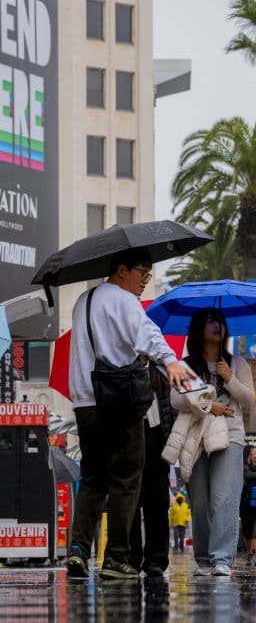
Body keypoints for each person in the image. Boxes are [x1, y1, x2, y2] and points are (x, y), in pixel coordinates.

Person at [66, 249, 190, 581]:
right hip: (119, 401)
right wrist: (170, 359)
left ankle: (78, 550)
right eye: (142, 274)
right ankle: (117, 558)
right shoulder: (123, 300)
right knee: (125, 479)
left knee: (92, 478)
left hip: (85, 401)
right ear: (123, 271)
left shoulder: (83, 301)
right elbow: (146, 334)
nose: (144, 283)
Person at [177, 308, 254, 577]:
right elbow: (176, 401)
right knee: (200, 501)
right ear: (198, 329)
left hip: (230, 437)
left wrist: (230, 379)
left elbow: (248, 401)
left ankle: (222, 558)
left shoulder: (237, 364)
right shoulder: (185, 366)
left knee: (224, 498)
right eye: (210, 320)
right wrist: (210, 406)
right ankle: (203, 559)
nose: (217, 325)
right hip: (196, 439)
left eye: (220, 320)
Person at [128, 362, 179, 578]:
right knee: (130, 500)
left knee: (157, 502)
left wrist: (173, 441)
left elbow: (172, 408)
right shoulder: (123, 366)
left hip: (157, 439)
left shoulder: (161, 370)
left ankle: (156, 559)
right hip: (130, 438)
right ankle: (131, 557)